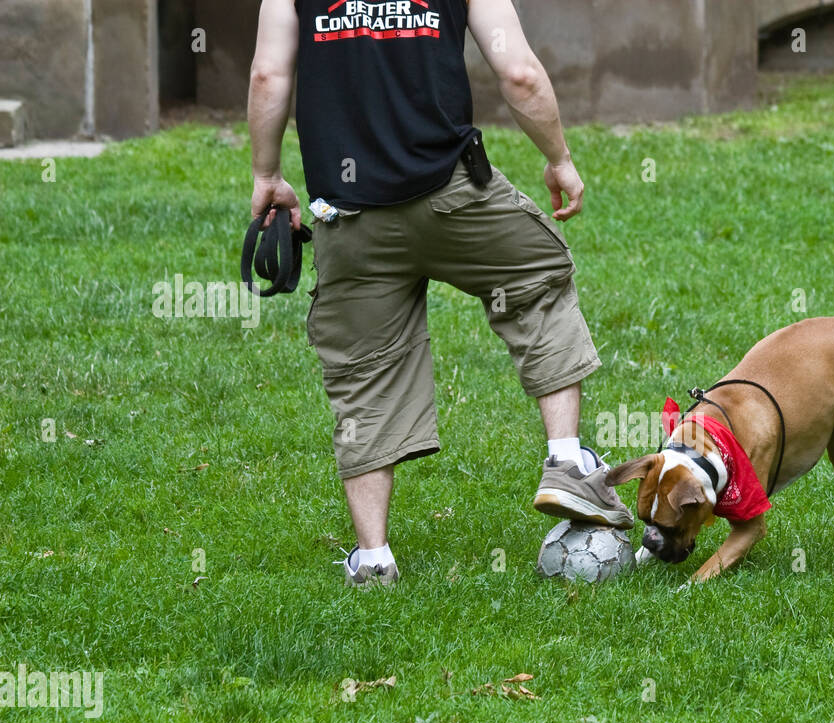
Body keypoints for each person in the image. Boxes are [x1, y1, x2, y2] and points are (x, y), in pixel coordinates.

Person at [246, 0, 632, 586]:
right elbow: (519, 73)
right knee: (536, 283)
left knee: (364, 373)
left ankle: (373, 558)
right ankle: (565, 460)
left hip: (351, 219)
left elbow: (267, 76)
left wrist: (267, 176)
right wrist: (559, 158)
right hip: (453, 196)